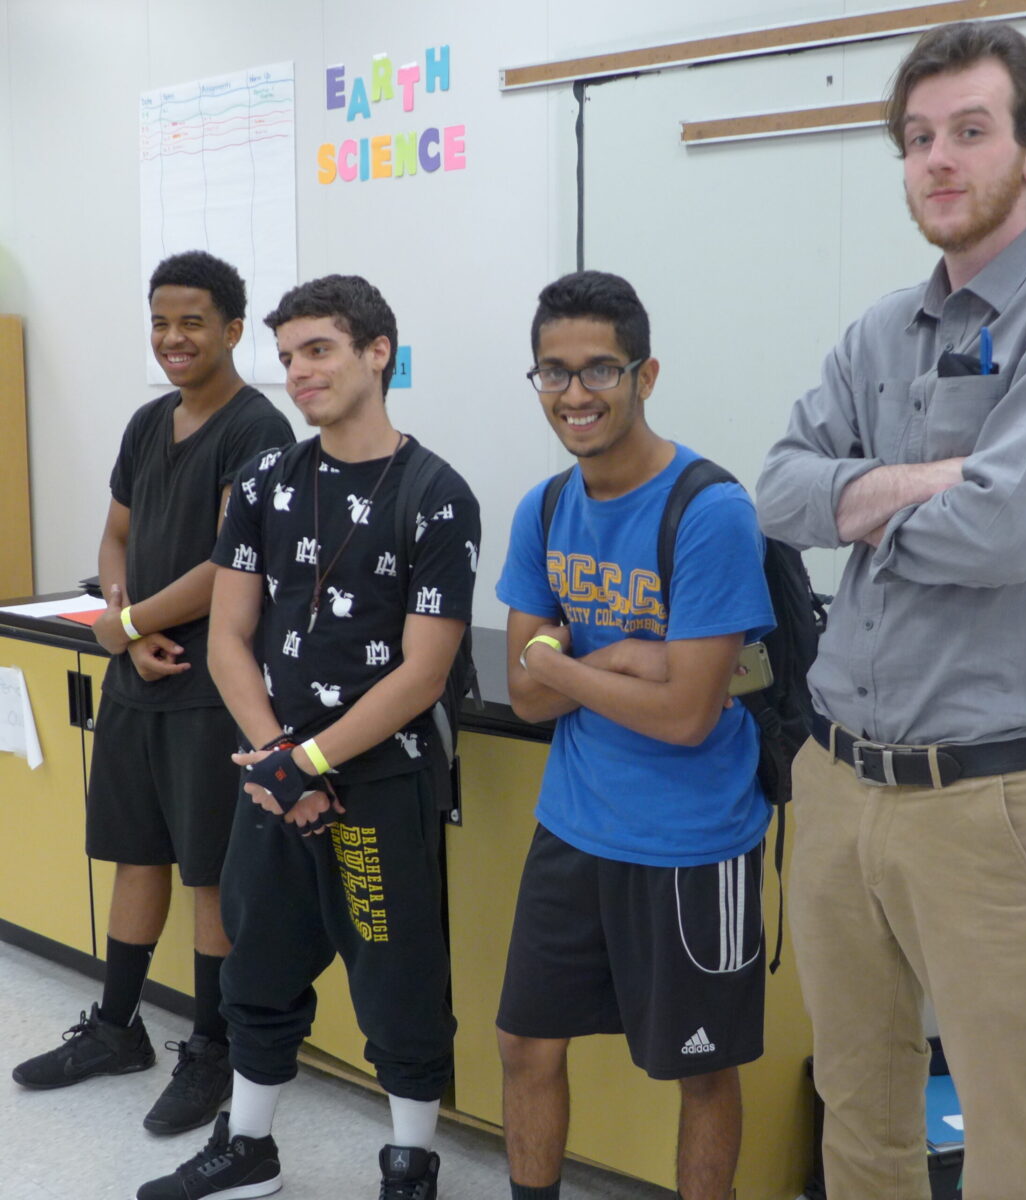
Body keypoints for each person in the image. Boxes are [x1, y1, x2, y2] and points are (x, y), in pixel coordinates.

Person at [757, 21, 1026, 1200]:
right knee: (856, 1105)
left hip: (982, 800)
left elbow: (1007, 531)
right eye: (919, 138)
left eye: (971, 132)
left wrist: (865, 499)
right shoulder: (881, 328)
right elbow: (777, 493)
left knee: (1015, 1135)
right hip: (834, 782)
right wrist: (925, 481)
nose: (939, 159)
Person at [137, 274, 479, 1200]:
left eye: (319, 349)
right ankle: (249, 1148)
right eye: (286, 356)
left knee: (398, 981)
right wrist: (281, 761)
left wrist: (313, 762)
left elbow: (423, 673)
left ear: (378, 352)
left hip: (377, 783)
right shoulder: (265, 480)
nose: (298, 373)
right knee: (258, 963)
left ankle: (410, 1162)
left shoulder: (437, 495)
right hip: (274, 778)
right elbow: (229, 637)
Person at [495, 270, 775, 1200]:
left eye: (599, 370)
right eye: (553, 373)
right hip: (574, 826)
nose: (575, 395)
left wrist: (573, 664)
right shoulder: (543, 509)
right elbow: (521, 698)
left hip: (694, 842)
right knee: (525, 1045)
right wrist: (627, 663)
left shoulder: (711, 510)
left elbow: (688, 716)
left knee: (702, 1069)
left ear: (645, 375)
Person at [11, 251, 294, 1135]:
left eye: (193, 322)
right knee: (140, 853)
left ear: (234, 330)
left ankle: (211, 1050)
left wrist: (125, 630)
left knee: (210, 873)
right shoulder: (146, 424)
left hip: (213, 685)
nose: (173, 338)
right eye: (161, 321)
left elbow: (227, 562)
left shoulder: (258, 430)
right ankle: (116, 1027)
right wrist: (118, 612)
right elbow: (116, 535)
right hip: (136, 676)